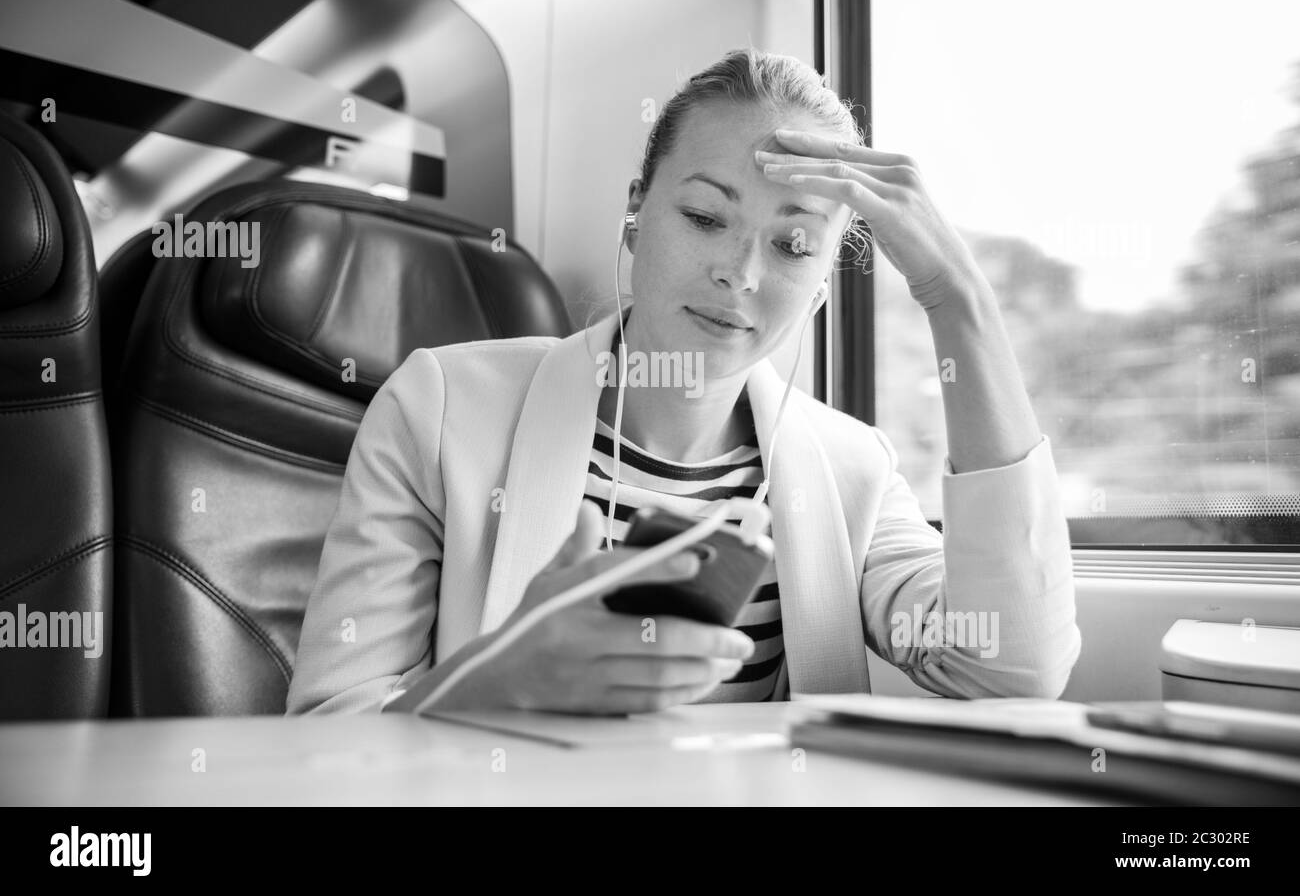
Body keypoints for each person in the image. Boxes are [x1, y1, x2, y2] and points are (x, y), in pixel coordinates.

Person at [285, 48, 1081, 716]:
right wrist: (495, 685)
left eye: (794, 246)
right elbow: (326, 740)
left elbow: (1009, 674)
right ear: (636, 212)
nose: (738, 275)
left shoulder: (853, 470)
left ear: (823, 286)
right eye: (705, 218)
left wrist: (957, 298)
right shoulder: (439, 411)